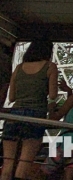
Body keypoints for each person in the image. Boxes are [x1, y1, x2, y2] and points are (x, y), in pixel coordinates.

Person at [2, 41, 58, 180]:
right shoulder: (50, 67)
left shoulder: (19, 68)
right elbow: (52, 95)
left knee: (7, 163)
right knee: (24, 162)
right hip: (35, 115)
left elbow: (12, 96)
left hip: (14, 116)